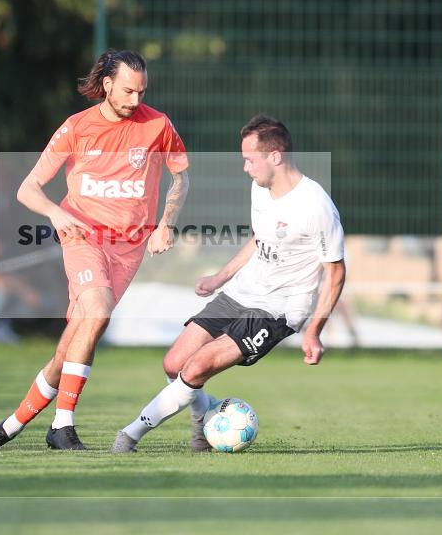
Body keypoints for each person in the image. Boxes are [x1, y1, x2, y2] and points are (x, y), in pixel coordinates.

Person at [0, 50, 190, 450]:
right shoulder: (76, 128)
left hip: (129, 248)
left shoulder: (158, 125)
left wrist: (165, 223)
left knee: (74, 339)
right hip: (82, 236)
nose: (136, 100)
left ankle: (10, 428)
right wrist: (55, 213)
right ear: (106, 85)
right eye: (128, 91)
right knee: (98, 313)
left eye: (141, 91)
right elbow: (28, 189)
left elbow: (181, 178)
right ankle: (62, 427)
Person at [110, 114, 346, 453]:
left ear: (275, 156)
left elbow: (336, 272)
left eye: (250, 160)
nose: (246, 168)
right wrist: (221, 277)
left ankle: (130, 435)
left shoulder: (316, 206)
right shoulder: (261, 189)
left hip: (278, 309)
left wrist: (314, 331)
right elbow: (259, 238)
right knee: (174, 364)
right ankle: (205, 421)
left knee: (198, 366)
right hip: (241, 293)